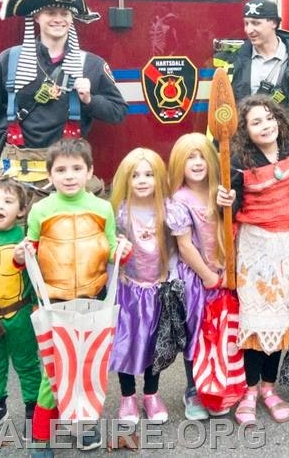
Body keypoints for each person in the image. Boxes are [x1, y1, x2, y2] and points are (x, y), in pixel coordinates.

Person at [15, 138, 131, 456]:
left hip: (94, 296)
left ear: (90, 172)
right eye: (61, 170)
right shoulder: (41, 209)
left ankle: (82, 425)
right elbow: (31, 249)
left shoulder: (101, 207)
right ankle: (41, 437)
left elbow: (110, 248)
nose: (69, 176)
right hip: (54, 302)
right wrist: (20, 254)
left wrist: (124, 250)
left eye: (77, 168)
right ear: (49, 175)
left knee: (88, 365)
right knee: (54, 371)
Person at [0, 0, 127, 192]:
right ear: (37, 16)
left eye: (64, 13)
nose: (58, 19)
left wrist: (90, 100)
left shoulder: (91, 65)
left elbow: (118, 112)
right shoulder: (10, 60)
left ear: (72, 18)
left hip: (68, 179)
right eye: (50, 13)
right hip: (16, 177)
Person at [215, 95, 289, 426]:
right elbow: (230, 206)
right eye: (256, 121)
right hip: (255, 248)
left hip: (287, 247)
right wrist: (223, 198)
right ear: (245, 129)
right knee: (255, 323)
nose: (266, 125)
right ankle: (249, 390)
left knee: (280, 321)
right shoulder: (240, 160)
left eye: (270, 118)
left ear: (279, 121)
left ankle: (269, 389)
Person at [213, 0, 289, 183]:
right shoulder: (233, 64)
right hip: (245, 159)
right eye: (246, 23)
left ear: (274, 23)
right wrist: (216, 163)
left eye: (255, 23)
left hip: (288, 156)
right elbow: (220, 115)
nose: (248, 30)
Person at [109, 148, 172, 425]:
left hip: (156, 288)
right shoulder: (120, 213)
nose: (143, 180)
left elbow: (175, 247)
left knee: (153, 343)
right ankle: (127, 397)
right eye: (135, 175)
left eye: (149, 174)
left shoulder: (167, 211)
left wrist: (169, 275)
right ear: (125, 178)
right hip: (128, 289)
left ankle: (151, 393)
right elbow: (109, 249)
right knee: (125, 342)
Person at [165, 133, 225, 421]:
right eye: (190, 157)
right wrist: (207, 275)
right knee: (195, 335)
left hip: (222, 274)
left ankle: (216, 386)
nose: (198, 162)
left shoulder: (218, 191)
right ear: (179, 163)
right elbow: (185, 245)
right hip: (196, 278)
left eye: (202, 155)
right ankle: (193, 390)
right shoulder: (179, 200)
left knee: (219, 334)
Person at [0, 177, 41, 434]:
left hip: (20, 314)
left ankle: (33, 408)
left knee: (26, 363)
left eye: (8, 201)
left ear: (21, 210)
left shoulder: (27, 239)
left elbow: (38, 279)